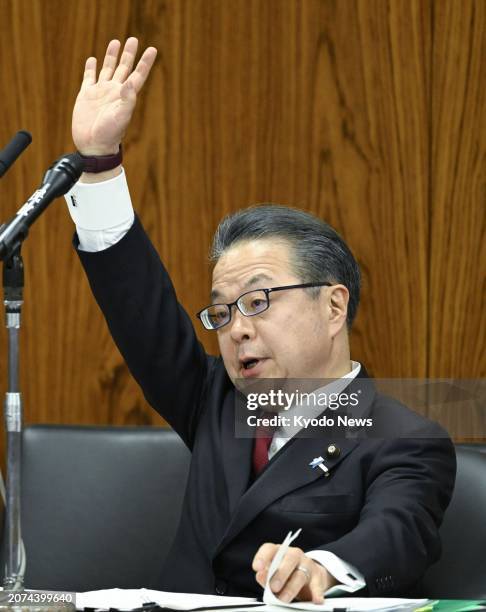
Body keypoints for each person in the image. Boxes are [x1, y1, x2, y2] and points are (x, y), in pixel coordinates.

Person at [64, 38, 456, 602]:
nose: (236, 328)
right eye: (222, 311)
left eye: (258, 301)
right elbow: (138, 306)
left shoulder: (405, 440)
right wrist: (98, 162)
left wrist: (322, 566)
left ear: (334, 306)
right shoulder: (214, 398)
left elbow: (398, 531)